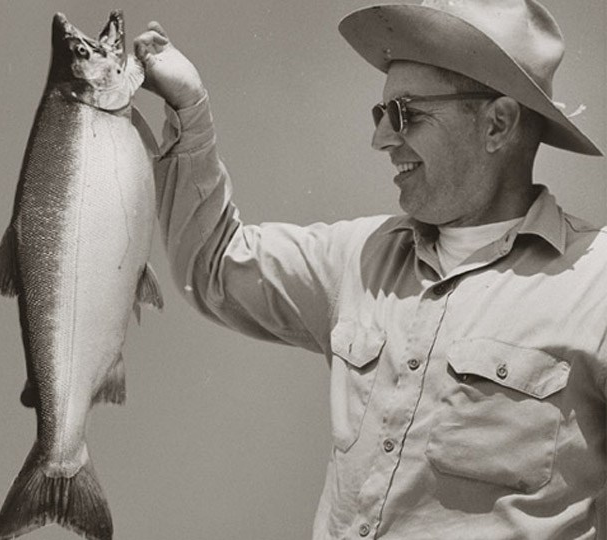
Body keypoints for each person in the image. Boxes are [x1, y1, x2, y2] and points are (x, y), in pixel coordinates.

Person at [132, 0, 606, 538]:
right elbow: (214, 264)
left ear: (497, 124)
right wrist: (189, 107)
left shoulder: (597, 285)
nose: (381, 139)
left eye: (405, 114)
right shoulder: (357, 257)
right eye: (380, 114)